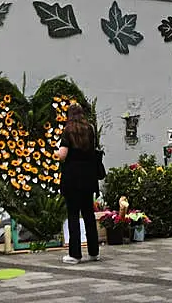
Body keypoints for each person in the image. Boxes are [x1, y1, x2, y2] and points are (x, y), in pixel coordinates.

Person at [55, 103, 100, 264]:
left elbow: (62, 155)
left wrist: (55, 152)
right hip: (89, 177)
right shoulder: (90, 129)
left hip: (72, 178)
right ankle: (94, 252)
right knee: (89, 214)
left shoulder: (68, 130)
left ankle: (75, 254)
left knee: (73, 214)